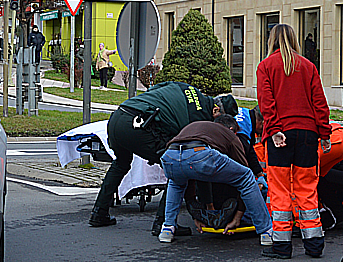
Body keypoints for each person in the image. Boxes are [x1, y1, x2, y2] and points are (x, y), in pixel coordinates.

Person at [89, 81, 220, 229]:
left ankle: (99, 213)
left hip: (119, 117)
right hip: (138, 125)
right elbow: (196, 159)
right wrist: (208, 203)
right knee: (179, 167)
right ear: (215, 110)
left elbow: (153, 89)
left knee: (121, 163)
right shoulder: (200, 117)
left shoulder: (186, 87)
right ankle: (163, 223)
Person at [256, 23, 332, 259]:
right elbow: (320, 102)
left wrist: (276, 130)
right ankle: (314, 245)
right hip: (308, 133)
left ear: (272, 41)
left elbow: (266, 103)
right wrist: (325, 133)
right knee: (307, 190)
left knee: (279, 191)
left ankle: (281, 247)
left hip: (280, 134)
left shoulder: (266, 67)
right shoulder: (308, 66)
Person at [158, 114, 272, 246]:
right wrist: (238, 217)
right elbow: (244, 173)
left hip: (170, 155)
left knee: (176, 183)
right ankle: (266, 232)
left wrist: (196, 214)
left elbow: (195, 175)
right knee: (246, 177)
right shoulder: (230, 135)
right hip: (200, 154)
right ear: (232, 130)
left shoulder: (198, 126)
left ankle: (167, 229)